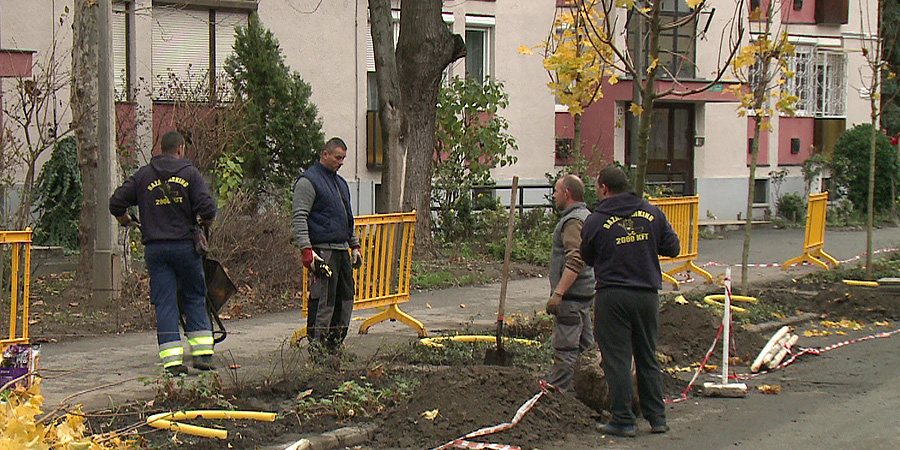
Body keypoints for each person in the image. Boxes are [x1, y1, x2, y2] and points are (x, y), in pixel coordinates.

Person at [580, 166, 680, 437]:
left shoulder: (595, 221)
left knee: (617, 359)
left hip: (613, 296)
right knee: (647, 356)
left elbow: (587, 256)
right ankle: (657, 417)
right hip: (647, 294)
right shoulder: (652, 213)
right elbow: (673, 247)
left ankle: (623, 419)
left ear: (603, 188)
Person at [109, 130, 217, 376]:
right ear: (180, 148)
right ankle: (202, 355)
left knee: (165, 302)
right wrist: (205, 223)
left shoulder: (144, 175)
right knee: (194, 296)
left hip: (156, 250)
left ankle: (172, 362)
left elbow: (116, 202)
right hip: (185, 248)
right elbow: (208, 208)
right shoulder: (190, 174)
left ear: (162, 149)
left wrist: (125, 220)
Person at [292, 137, 362, 357]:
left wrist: (354, 245)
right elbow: (299, 217)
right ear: (325, 154)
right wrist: (307, 250)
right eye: (338, 157)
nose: (341, 162)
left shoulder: (340, 184)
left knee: (345, 300)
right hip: (323, 252)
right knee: (324, 301)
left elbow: (347, 218)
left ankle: (334, 346)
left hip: (341, 250)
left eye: (343, 158)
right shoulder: (308, 182)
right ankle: (318, 349)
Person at [545, 174, 596, 392]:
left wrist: (558, 293)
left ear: (567, 193)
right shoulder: (587, 216)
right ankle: (590, 391)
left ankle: (557, 393)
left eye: (556, 191)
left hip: (571, 297)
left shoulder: (573, 221)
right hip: (584, 293)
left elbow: (575, 259)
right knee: (586, 349)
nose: (554, 196)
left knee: (565, 351)